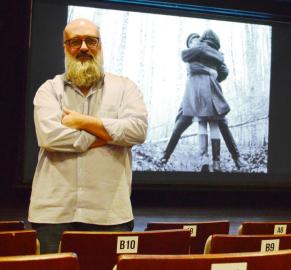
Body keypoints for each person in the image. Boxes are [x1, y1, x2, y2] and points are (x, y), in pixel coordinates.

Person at [28, 18, 148, 253]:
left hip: (111, 214)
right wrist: (108, 135)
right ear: (65, 47)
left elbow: (137, 130)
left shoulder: (126, 88)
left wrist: (83, 122)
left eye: (90, 41)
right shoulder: (49, 90)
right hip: (53, 214)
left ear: (100, 45)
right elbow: (49, 137)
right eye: (75, 42)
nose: (83, 48)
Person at [161, 31, 247, 170]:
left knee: (222, 123)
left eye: (196, 39)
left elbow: (224, 71)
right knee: (179, 125)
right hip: (192, 94)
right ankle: (165, 156)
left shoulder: (209, 53)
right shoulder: (193, 55)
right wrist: (210, 71)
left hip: (211, 91)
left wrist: (213, 78)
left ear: (200, 40)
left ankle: (236, 158)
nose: (194, 42)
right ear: (189, 45)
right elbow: (193, 68)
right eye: (191, 42)